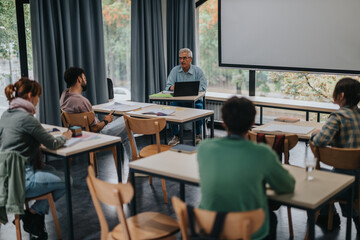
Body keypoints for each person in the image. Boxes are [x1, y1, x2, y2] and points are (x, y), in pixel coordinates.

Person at [197, 96, 295, 240]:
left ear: (223, 122)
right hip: (249, 231)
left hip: (210, 228)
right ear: (252, 123)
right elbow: (287, 186)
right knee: (271, 218)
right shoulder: (262, 153)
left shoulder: (204, 148)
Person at [0, 78, 72, 239]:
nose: (38, 100)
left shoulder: (6, 115)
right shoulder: (27, 118)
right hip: (22, 181)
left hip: (5, 179)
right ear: (31, 95)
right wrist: (65, 136)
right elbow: (53, 143)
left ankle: (33, 217)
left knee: (51, 169)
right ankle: (33, 212)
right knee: (68, 180)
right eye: (38, 96)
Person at [310, 77, 360, 230]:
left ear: (342, 96)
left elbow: (319, 141)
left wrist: (314, 134)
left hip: (343, 181)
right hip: (358, 179)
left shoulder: (338, 117)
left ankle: (327, 217)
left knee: (314, 178)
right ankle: (356, 217)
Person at [59, 67, 131, 160]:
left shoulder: (64, 95)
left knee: (124, 131)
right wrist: (106, 121)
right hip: (96, 135)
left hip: (79, 134)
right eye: (84, 78)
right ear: (79, 79)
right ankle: (134, 164)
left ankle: (133, 164)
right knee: (127, 119)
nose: (86, 81)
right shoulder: (82, 101)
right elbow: (94, 128)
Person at [166, 48, 208, 146]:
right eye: (180, 58)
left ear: (190, 59)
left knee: (199, 109)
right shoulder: (174, 70)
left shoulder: (198, 71)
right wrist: (173, 87)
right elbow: (168, 86)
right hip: (179, 101)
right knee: (171, 109)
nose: (182, 61)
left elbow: (203, 87)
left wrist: (191, 89)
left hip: (195, 101)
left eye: (184, 58)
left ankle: (198, 135)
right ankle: (176, 136)